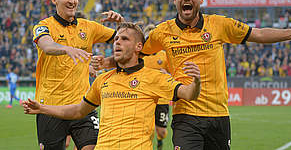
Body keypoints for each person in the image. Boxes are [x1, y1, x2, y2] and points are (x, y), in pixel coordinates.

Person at [92, 0, 291, 150]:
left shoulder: (219, 24)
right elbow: (136, 50)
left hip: (218, 115)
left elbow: (257, 34)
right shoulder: (163, 32)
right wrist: (109, 62)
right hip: (186, 115)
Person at [24, 22, 201, 150]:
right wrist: (42, 108)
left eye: (124, 39)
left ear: (139, 46)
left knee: (162, 132)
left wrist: (196, 82)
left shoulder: (154, 77)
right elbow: (78, 111)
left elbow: (188, 94)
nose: (117, 42)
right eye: (116, 38)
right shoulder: (103, 80)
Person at [32, 0, 123, 150]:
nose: (72, 1)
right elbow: (47, 45)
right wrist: (67, 49)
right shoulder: (43, 26)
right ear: (54, 0)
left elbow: (125, 40)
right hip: (50, 107)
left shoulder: (89, 27)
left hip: (82, 106)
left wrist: (121, 23)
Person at [143, 24, 170, 150]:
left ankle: (159, 142)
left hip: (162, 99)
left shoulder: (164, 55)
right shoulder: (140, 57)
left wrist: (168, 74)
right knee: (145, 130)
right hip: (145, 98)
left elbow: (175, 74)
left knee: (162, 132)